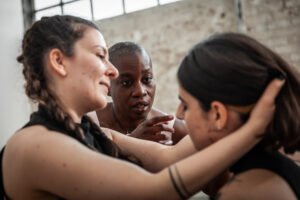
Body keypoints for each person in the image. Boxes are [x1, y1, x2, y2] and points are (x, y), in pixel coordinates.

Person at [0, 15, 284, 200]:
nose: (111, 71)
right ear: (59, 62)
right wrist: (252, 131)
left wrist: (240, 118)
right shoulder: (35, 146)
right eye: (101, 55)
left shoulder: (92, 131)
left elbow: (168, 160)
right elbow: (157, 190)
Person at [176, 32, 299, 200]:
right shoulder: (276, 168)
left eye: (186, 105)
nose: (179, 114)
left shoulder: (243, 193)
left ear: (218, 115)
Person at [94, 41, 187, 144]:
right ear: (108, 87)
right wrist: (132, 142)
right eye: (126, 83)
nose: (140, 91)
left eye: (147, 79)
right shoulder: (92, 123)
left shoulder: (173, 131)